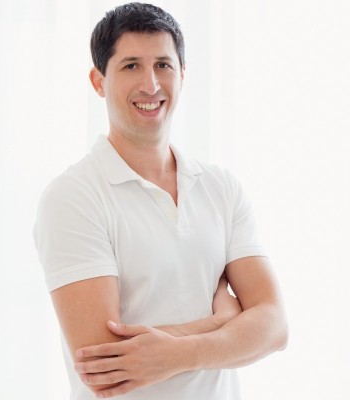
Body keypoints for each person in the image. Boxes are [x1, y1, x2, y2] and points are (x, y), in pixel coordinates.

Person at [34, 3, 288, 399]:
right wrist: (221, 323)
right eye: (131, 66)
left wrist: (177, 353)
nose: (151, 85)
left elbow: (274, 325)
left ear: (182, 75)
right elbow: (104, 366)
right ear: (99, 81)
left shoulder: (221, 188)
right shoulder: (73, 197)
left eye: (163, 65)